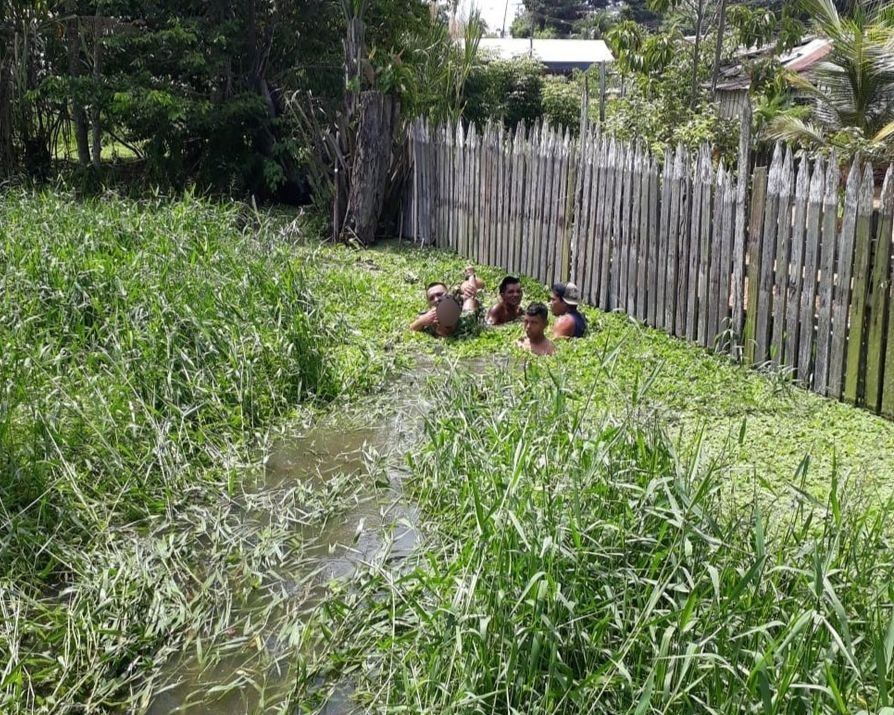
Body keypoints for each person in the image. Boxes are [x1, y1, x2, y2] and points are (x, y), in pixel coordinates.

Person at [409, 280, 481, 338]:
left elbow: (472, 295)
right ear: (429, 304)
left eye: (439, 294)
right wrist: (422, 321)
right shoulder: (429, 318)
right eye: (431, 298)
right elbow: (410, 329)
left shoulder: (465, 315)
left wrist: (467, 284)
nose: (436, 299)